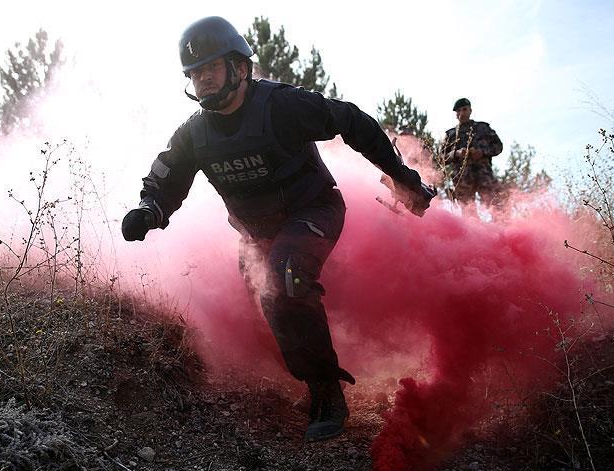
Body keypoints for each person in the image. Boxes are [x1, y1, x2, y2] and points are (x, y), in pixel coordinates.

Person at [121, 16, 435, 442]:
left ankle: (326, 392)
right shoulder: (194, 134)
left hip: (315, 209)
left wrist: (401, 177)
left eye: (212, 68)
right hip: (256, 233)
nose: (204, 80)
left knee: (285, 275)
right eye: (196, 74)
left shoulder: (283, 106)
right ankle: (311, 343)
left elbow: (351, 121)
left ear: (241, 68)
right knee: (265, 299)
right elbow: (165, 177)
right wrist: (149, 209)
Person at [439, 98, 503, 207]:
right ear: (455, 114)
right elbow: (441, 158)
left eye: (464, 109)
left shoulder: (483, 128)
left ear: (470, 110)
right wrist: (457, 153)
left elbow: (498, 146)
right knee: (468, 212)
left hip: (484, 176)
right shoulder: (451, 134)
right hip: (463, 180)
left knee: (494, 206)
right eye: (458, 111)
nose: (462, 113)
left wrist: (482, 152)